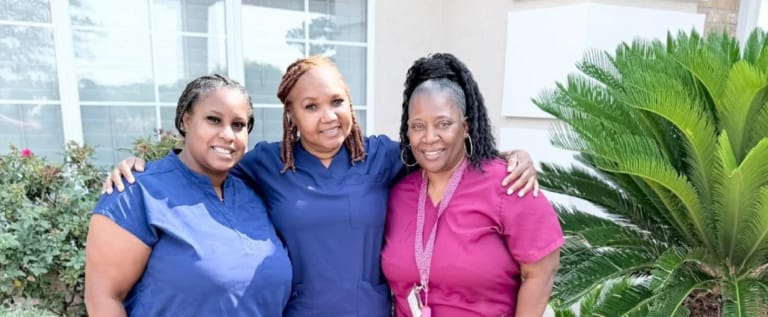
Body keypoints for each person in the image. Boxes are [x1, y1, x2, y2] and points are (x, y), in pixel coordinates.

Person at [102, 56, 540, 316]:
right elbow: (202, 165)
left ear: (350, 102)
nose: (327, 115)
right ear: (291, 116)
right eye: (310, 106)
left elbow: (440, 151)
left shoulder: (384, 156)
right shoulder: (264, 164)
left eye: (336, 101)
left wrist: (510, 157)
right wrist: (139, 168)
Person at [84, 75, 292, 316]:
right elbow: (103, 299)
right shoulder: (137, 192)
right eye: (213, 120)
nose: (228, 134)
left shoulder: (255, 194)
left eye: (238, 125)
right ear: (186, 120)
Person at [381, 53, 563, 317]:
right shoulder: (399, 193)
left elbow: (542, 271)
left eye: (444, 124)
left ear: (465, 126)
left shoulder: (508, 183)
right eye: (418, 126)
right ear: (407, 131)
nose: (430, 137)